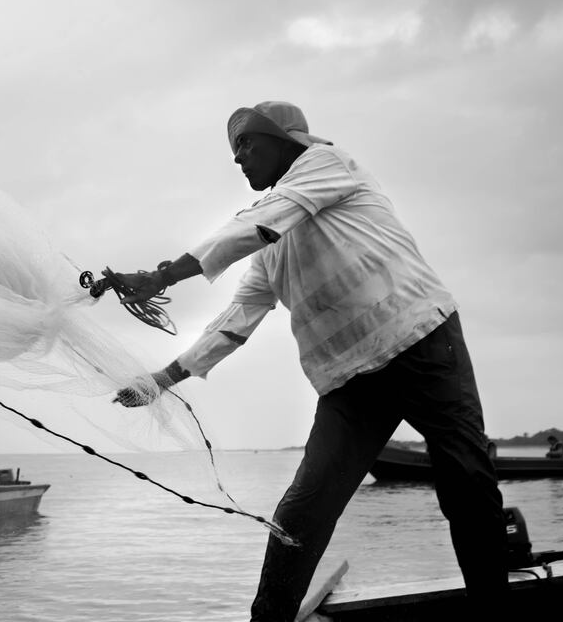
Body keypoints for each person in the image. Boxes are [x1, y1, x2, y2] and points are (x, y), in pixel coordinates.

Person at [111, 101, 508, 620]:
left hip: (421, 339)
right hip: (349, 383)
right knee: (303, 510)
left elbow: (263, 220)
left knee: (466, 483)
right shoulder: (270, 248)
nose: (239, 159)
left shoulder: (326, 164)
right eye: (235, 151)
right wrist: (161, 381)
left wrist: (162, 276)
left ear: (285, 140)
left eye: (247, 144)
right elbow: (235, 320)